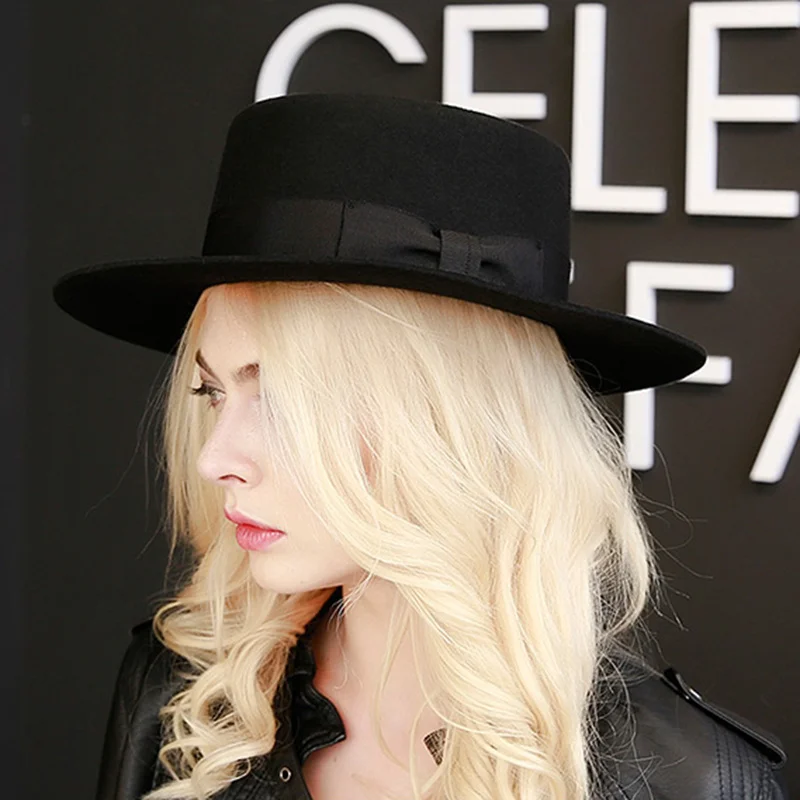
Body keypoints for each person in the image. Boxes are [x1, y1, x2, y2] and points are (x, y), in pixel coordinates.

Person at [52, 93, 788, 800]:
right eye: (212, 392)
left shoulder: (689, 782)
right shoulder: (186, 698)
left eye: (283, 401)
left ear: (446, 422)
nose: (214, 459)